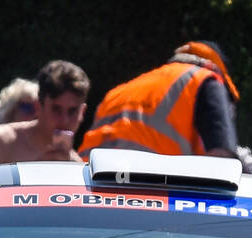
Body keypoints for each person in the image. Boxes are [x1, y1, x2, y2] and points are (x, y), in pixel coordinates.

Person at [78, 41, 239, 160]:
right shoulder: (207, 80)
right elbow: (221, 160)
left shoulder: (118, 92)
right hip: (151, 191)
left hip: (89, 191)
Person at [0, 61, 89, 166]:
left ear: (82, 112)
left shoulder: (77, 168)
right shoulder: (0, 142)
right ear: (38, 107)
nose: (64, 120)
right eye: (56, 109)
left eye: (72, 111)